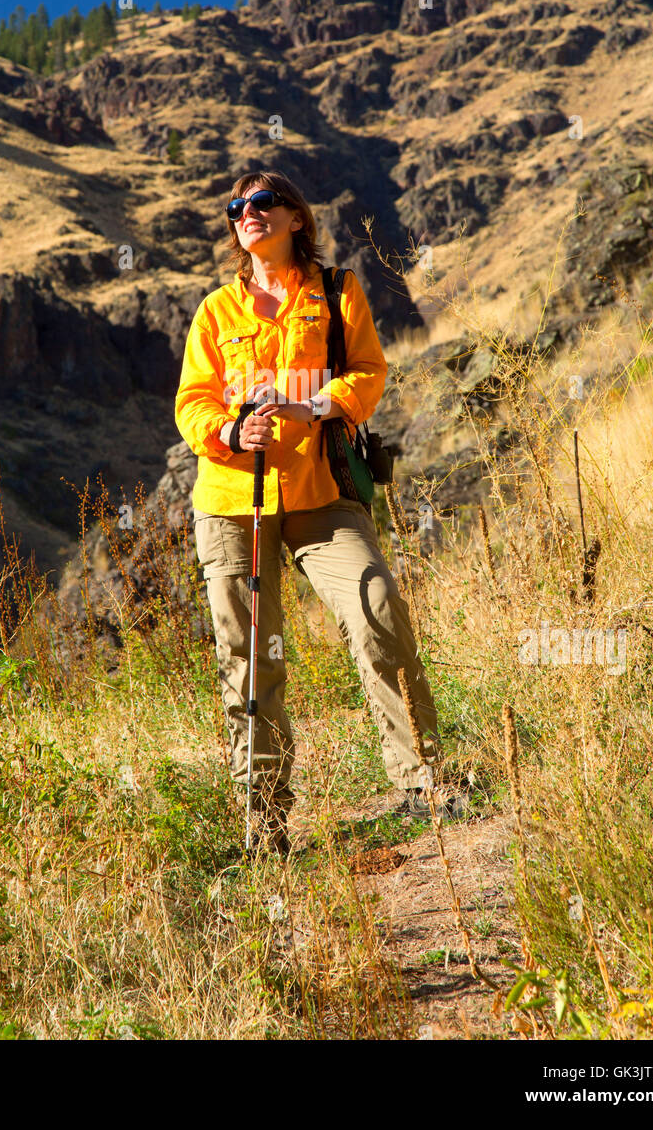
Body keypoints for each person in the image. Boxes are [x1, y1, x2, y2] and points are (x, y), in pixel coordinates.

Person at [174, 169, 442, 853]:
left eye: (264, 202)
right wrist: (233, 432)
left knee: (376, 601)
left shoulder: (337, 292)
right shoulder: (215, 313)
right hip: (235, 503)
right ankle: (265, 822)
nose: (248, 213)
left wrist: (312, 406)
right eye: (237, 207)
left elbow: (368, 373)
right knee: (251, 657)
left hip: (321, 492)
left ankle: (422, 781)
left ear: (298, 218)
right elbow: (192, 404)